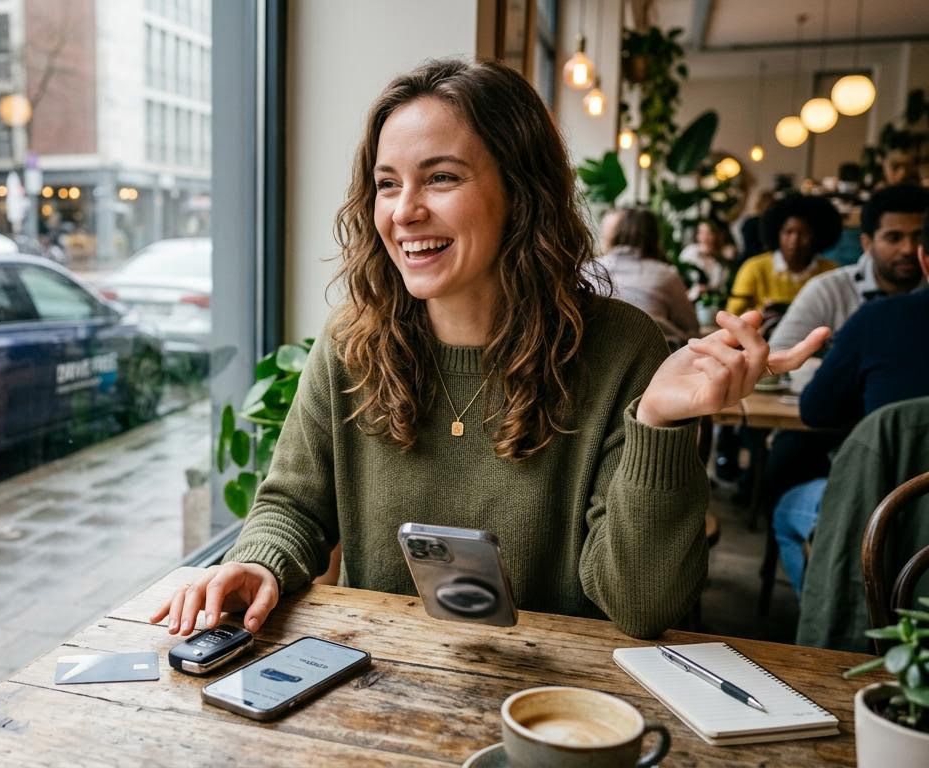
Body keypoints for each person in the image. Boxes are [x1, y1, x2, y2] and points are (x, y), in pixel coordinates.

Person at [150, 58, 827, 640]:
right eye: (387, 184)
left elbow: (644, 607)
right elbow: (294, 505)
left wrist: (660, 424)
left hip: (551, 708)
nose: (404, 211)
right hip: (376, 685)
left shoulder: (621, 348)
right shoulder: (352, 340)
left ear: (521, 194)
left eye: (440, 178)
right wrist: (259, 562)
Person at [772, 222, 929, 595]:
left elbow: (815, 409)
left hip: (887, 517)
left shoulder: (879, 319)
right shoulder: (833, 288)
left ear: (925, 259)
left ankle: (835, 622)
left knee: (786, 508)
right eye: (894, 235)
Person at [770, 185, 928, 351]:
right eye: (894, 238)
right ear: (867, 243)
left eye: (920, 237)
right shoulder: (829, 291)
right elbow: (777, 356)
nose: (909, 249)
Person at [595, 207, 699, 345]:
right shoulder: (665, 274)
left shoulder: (590, 268)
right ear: (655, 236)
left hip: (599, 351)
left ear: (617, 233)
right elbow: (691, 326)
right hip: (654, 357)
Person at [725, 194, 841, 317]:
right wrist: (760, 314)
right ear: (777, 233)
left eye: (803, 234)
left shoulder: (830, 272)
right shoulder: (754, 268)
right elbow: (732, 314)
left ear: (816, 236)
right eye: (788, 232)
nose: (794, 240)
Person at [678, 217, 737, 302]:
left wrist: (707, 289)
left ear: (715, 236)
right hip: (687, 300)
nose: (705, 237)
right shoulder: (690, 252)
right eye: (701, 233)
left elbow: (721, 289)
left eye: (709, 233)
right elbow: (678, 276)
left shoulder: (721, 261)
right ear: (697, 236)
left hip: (710, 303)